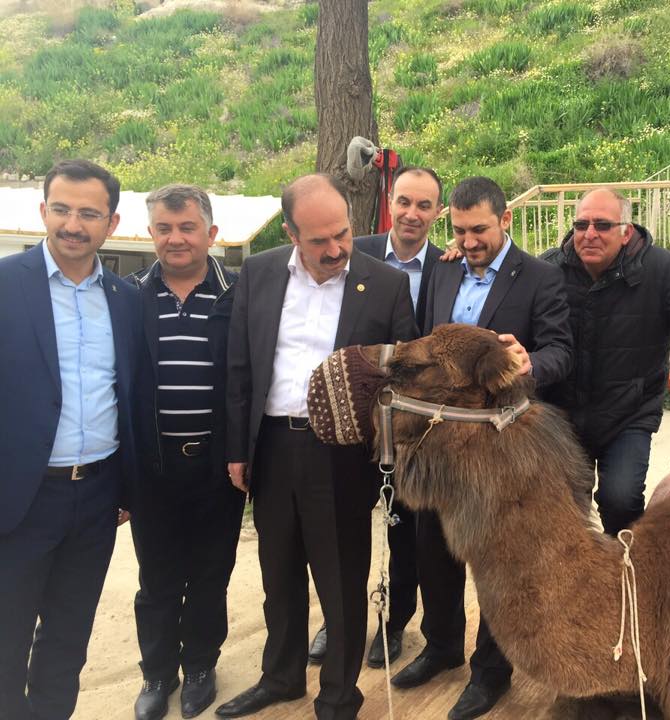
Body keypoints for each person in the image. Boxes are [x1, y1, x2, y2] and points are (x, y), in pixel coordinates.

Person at [215, 173, 418, 720]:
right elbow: (240, 366)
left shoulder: (385, 284)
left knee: (342, 582)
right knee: (278, 576)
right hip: (272, 447)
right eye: (318, 240)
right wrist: (238, 450)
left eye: (342, 234)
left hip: (341, 457)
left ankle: (338, 697)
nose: (335, 250)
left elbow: (403, 380)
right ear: (290, 233)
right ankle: (281, 678)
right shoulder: (259, 273)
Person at [390, 176, 573, 720]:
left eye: (479, 230)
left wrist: (529, 361)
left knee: (496, 559)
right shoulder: (442, 268)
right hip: (440, 440)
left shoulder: (541, 277)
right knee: (433, 549)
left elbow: (562, 350)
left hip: (500, 447)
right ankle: (442, 647)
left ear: (506, 220)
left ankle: (491, 672)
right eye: (460, 230)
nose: (468, 241)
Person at [0, 159, 142, 719]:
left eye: (88, 213)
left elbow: (127, 395)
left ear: (112, 223)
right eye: (61, 209)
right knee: (6, 641)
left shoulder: (125, 298)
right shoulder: (6, 285)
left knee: (68, 638)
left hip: (96, 499)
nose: (73, 225)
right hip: (20, 498)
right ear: (43, 211)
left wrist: (125, 487)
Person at [541, 187, 670, 534]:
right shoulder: (549, 270)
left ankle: (627, 564)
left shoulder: (662, 272)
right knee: (561, 508)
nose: (589, 234)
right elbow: (506, 288)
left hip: (628, 414)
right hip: (563, 415)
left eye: (602, 225)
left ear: (626, 232)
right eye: (581, 225)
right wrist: (461, 261)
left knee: (621, 501)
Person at [309, 166, 444, 670]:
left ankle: (394, 624)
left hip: (409, 427)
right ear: (390, 202)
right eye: (404, 201)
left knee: (403, 531)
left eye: (424, 205)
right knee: (341, 531)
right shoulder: (349, 250)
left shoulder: (448, 265)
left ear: (437, 212)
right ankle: (337, 620)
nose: (412, 213)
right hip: (350, 421)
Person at [126, 185, 245, 720]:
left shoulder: (238, 294)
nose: (176, 238)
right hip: (153, 466)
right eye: (164, 228)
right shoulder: (130, 296)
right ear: (150, 233)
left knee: (210, 573)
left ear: (211, 234)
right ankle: (156, 673)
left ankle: (199, 665)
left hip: (217, 466)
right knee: (157, 579)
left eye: (187, 227)